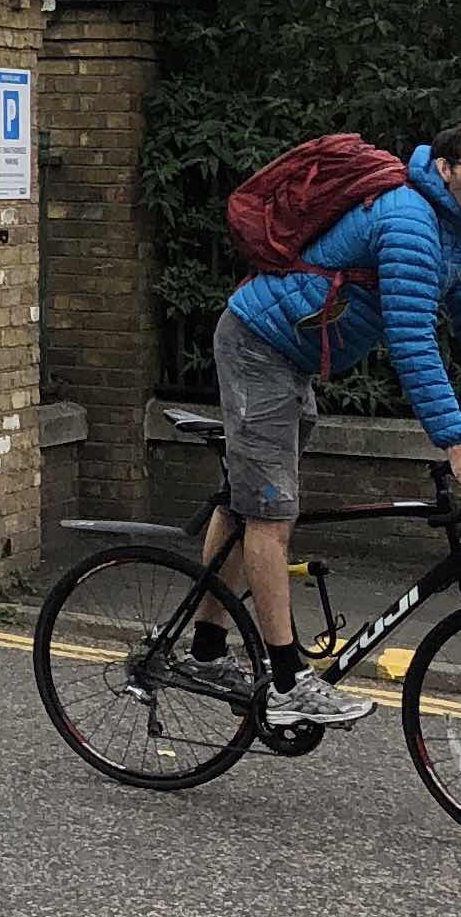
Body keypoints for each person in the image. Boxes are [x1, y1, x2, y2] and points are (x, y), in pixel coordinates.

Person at [195, 128, 461, 730]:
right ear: (447, 168)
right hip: (259, 345)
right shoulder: (410, 221)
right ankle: (288, 681)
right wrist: (453, 437)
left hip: (291, 358)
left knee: (250, 505)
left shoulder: (452, 233)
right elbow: (413, 338)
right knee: (271, 513)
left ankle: (207, 650)